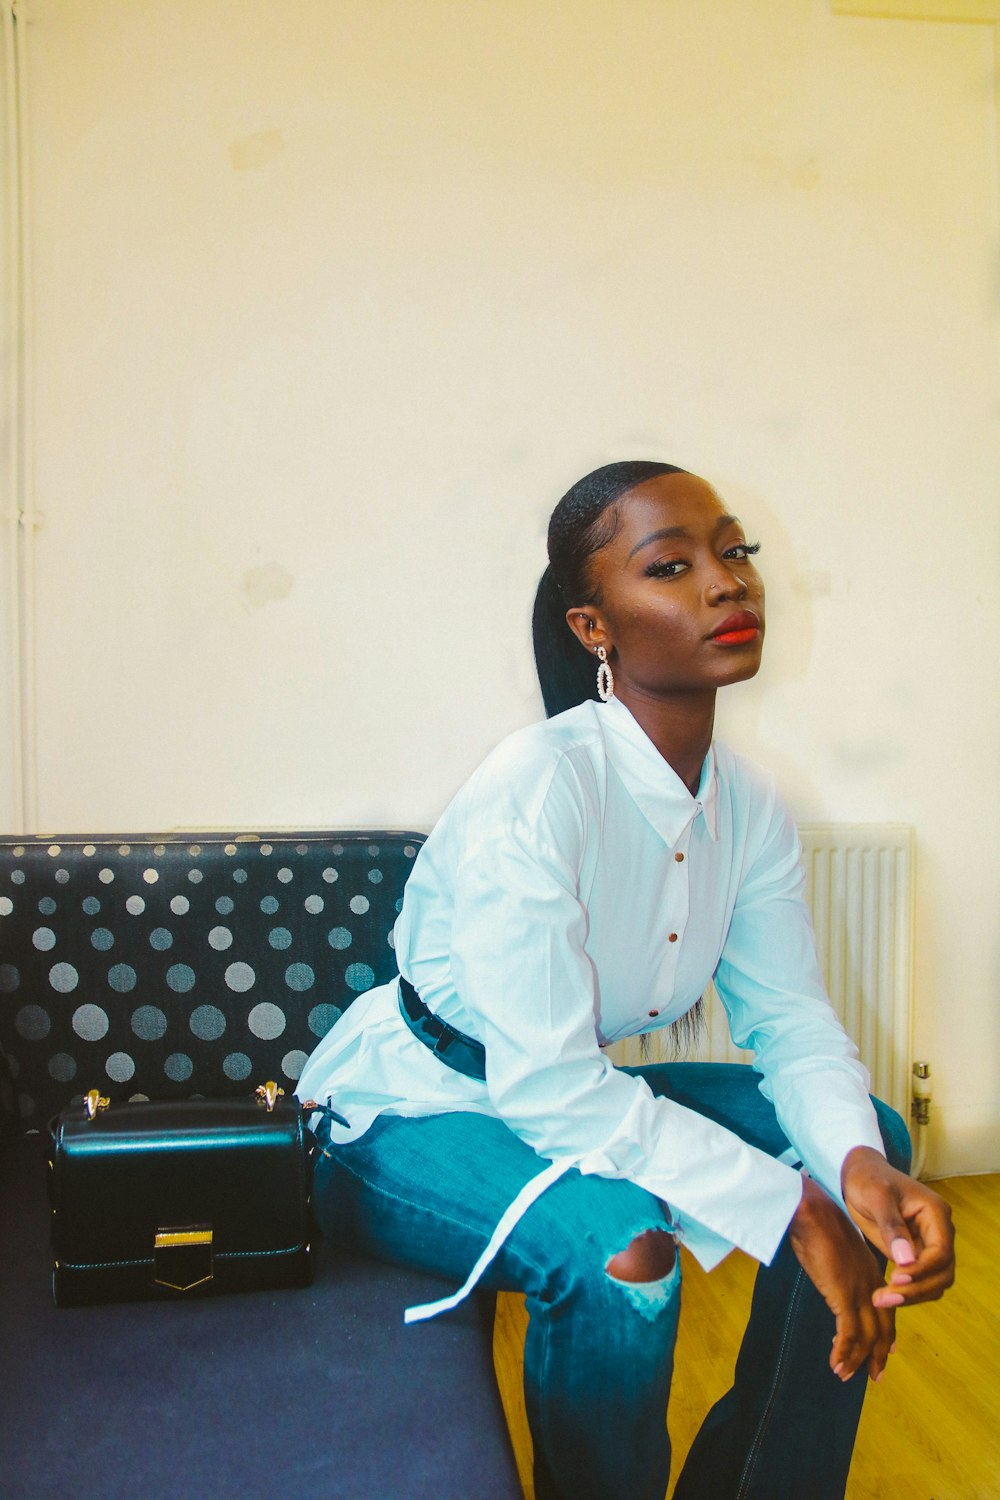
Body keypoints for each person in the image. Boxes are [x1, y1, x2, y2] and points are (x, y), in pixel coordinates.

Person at [297, 460, 955, 1500]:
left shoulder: (746, 804)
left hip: (559, 1095)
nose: (726, 582)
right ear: (594, 627)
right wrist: (785, 1207)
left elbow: (787, 1021)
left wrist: (847, 1175)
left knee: (865, 1145)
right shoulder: (539, 789)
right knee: (626, 1259)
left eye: (733, 551)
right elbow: (548, 1091)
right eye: (672, 566)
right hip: (412, 1109)